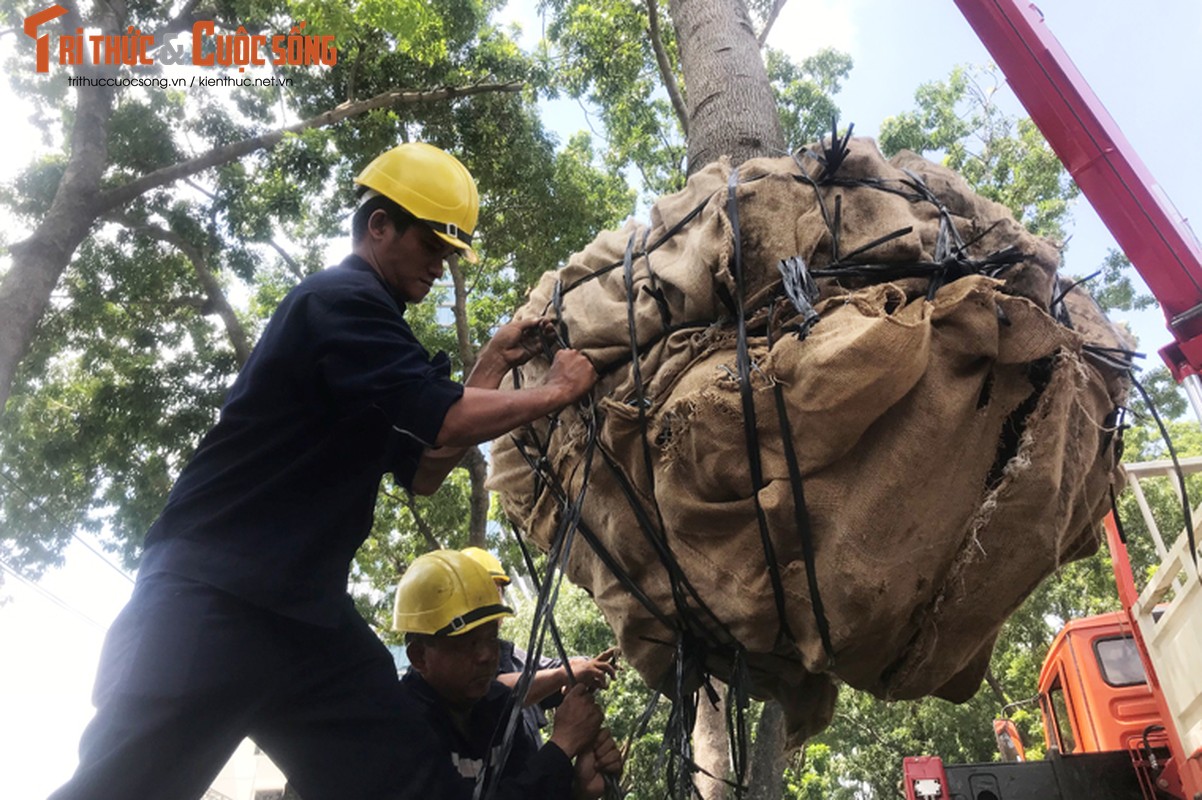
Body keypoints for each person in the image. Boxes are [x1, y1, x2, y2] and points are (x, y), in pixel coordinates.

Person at [49, 142, 599, 800]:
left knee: (416, 785)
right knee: (123, 789)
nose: (439, 263)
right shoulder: (338, 301)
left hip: (306, 618)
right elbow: (445, 420)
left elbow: (426, 468)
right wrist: (556, 391)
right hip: (213, 597)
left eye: (450, 253)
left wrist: (491, 363)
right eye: (431, 244)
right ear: (379, 226)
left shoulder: (378, 341)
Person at [394, 549, 623, 799]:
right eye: (467, 643)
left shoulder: (497, 710)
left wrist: (580, 791)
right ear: (419, 657)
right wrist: (562, 746)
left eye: (491, 638)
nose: (486, 656)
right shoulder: (400, 729)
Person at [460, 547, 619, 745]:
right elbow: (494, 692)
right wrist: (563, 675)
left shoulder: (510, 656)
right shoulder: (453, 668)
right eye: (483, 592)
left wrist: (585, 666)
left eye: (497, 591)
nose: (493, 601)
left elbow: (550, 668)